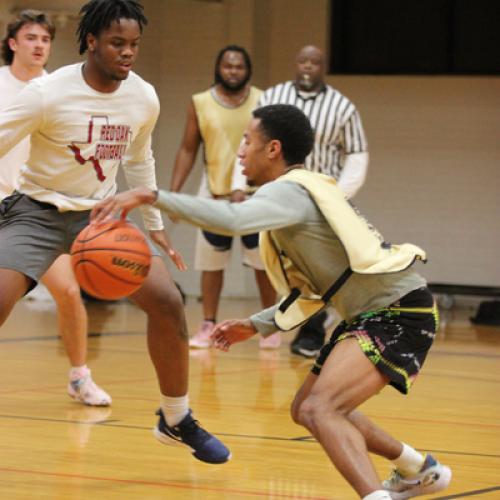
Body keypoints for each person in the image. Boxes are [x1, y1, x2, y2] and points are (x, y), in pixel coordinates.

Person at [92, 104, 451, 498]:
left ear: (273, 149)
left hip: (397, 311)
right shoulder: (303, 189)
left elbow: (232, 220)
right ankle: (417, 468)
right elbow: (312, 292)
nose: (241, 151)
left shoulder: (289, 190)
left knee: (321, 409)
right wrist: (255, 325)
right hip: (375, 312)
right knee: (306, 410)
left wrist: (151, 195)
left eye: (247, 140)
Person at [0, 0, 229, 464]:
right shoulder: (47, 92)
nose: (128, 53)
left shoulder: (142, 97)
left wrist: (156, 226)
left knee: (167, 302)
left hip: (101, 220)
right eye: (117, 43)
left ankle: (176, 418)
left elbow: (139, 160)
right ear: (90, 41)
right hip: (36, 212)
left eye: (134, 45)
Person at [0, 9, 110, 406]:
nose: (39, 45)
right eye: (31, 38)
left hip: (35, 210)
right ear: (13, 43)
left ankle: (80, 377)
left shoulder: (58, 89)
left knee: (67, 291)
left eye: (45, 40)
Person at [232, 45, 369, 359]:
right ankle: (287, 322)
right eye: (303, 60)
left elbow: (357, 155)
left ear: (324, 67)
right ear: (295, 63)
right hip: (278, 194)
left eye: (315, 62)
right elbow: (248, 140)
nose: (308, 66)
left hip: (320, 200)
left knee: (318, 267)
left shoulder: (342, 106)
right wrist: (238, 183)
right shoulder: (273, 97)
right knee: (284, 266)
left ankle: (311, 331)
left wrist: (338, 197)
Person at [170, 45, 280, 349]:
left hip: (257, 195)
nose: (233, 71)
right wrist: (175, 193)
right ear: (218, 69)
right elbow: (188, 148)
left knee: (263, 263)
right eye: (228, 66)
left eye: (239, 66)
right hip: (214, 193)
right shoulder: (200, 102)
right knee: (210, 263)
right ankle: (208, 323)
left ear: (248, 70)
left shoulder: (263, 99)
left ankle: (269, 326)